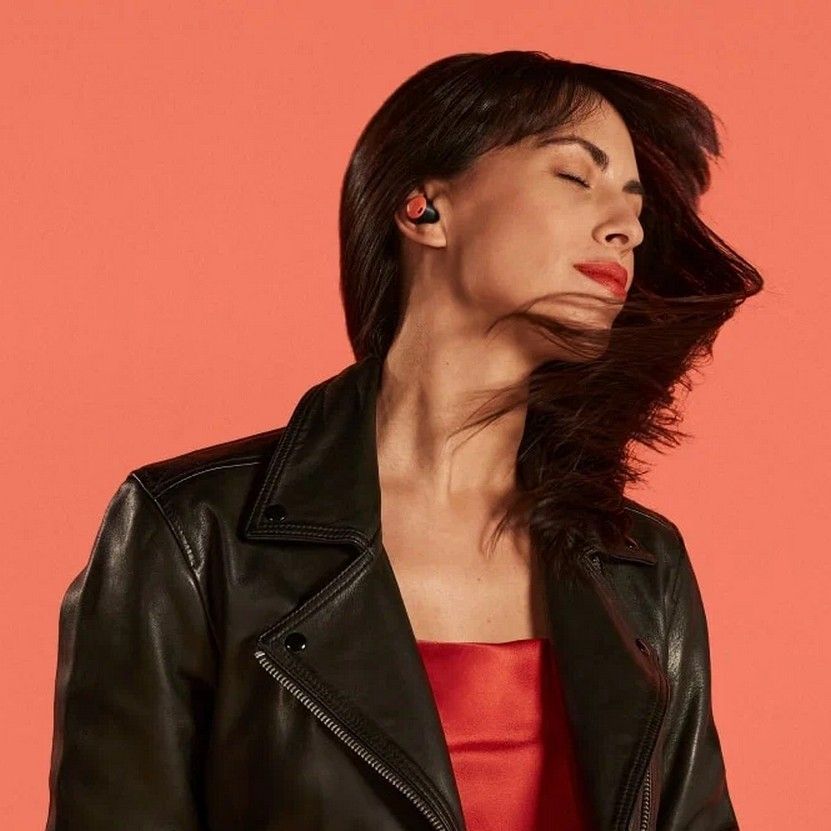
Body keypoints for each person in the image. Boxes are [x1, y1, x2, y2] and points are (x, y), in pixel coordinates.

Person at [45, 51, 762, 830]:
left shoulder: (639, 566)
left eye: (634, 203)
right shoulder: (194, 535)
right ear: (424, 210)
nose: (626, 227)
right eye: (574, 176)